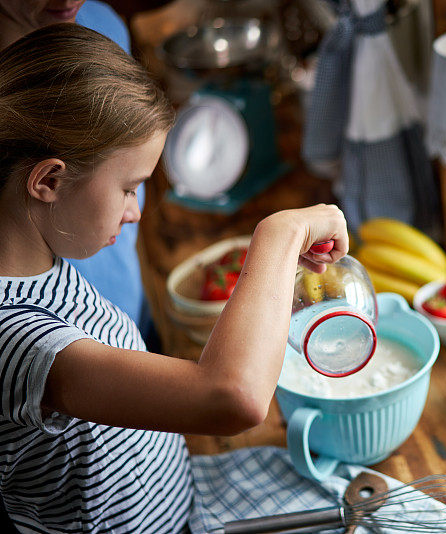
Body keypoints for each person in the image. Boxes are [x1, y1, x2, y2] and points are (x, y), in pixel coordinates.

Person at [0, 24, 348, 533]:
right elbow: (233, 396)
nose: (135, 212)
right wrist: (279, 233)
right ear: (48, 181)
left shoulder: (40, 261)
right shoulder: (18, 341)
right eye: (128, 188)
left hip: (183, 499)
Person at [0, 0, 160, 347]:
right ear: (47, 181)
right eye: (128, 191)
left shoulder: (104, 26)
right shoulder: (30, 336)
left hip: (126, 323)